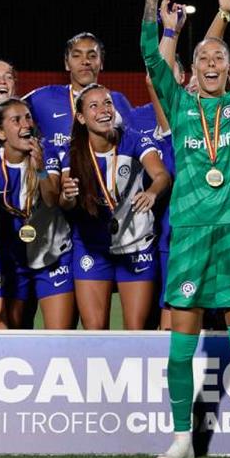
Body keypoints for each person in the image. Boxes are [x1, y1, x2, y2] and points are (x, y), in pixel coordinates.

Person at [141, 0, 230, 458]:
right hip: (192, 233)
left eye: (220, 59)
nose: (212, 63)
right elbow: (151, 53)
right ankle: (180, 437)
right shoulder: (178, 104)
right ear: (191, 71)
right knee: (180, 345)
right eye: (203, 59)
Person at [58, 84, 170, 330]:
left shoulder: (134, 139)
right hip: (92, 247)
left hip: (136, 242)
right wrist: (67, 195)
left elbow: (161, 175)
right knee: (95, 331)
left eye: (107, 103)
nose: (103, 110)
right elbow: (65, 203)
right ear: (81, 117)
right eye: (94, 106)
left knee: (135, 330)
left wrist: (152, 192)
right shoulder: (72, 150)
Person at [0, 99, 74, 329]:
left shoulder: (47, 152)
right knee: (11, 336)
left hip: (53, 255)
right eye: (16, 120)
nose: (26, 124)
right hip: (13, 262)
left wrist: (40, 169)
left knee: (59, 337)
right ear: (0, 132)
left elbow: (51, 200)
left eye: (28, 117)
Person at [22, 32, 134, 161]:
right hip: (55, 179)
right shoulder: (42, 98)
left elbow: (132, 145)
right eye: (76, 56)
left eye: (92, 56)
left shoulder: (117, 101)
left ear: (101, 62)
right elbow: (5, 114)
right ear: (66, 63)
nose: (85, 61)